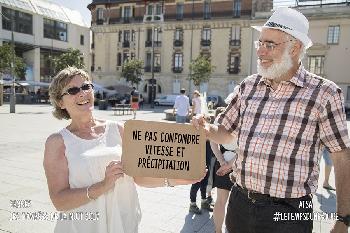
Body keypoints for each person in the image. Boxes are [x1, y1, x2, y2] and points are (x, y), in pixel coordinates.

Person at [192, 7, 350, 233]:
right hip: (240, 204)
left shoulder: (325, 93)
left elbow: (342, 157)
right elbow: (226, 132)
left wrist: (343, 220)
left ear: (295, 48)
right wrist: (207, 128)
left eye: (270, 45)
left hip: (290, 213)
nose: (261, 51)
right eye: (260, 43)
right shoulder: (248, 86)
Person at [44, 67, 200, 233]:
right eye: (73, 90)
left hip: (123, 222)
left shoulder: (119, 129)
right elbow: (59, 201)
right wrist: (103, 186)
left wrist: (176, 180)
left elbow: (138, 177)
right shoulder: (58, 142)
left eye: (86, 87)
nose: (82, 93)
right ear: (60, 102)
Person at [210, 107, 236, 233]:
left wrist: (222, 162)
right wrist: (229, 165)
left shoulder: (221, 117)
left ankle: (217, 231)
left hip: (223, 160)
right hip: (240, 163)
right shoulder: (247, 116)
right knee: (238, 203)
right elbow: (248, 147)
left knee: (220, 201)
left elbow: (213, 142)